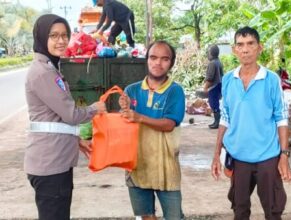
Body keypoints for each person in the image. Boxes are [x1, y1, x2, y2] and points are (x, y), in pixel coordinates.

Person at [25, 14, 106, 220]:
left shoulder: (50, 68)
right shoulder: (43, 72)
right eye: (53, 36)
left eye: (64, 35)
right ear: (42, 38)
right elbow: (70, 114)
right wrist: (95, 108)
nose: (61, 41)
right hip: (50, 165)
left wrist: (76, 141)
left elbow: (52, 119)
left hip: (54, 161)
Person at [211, 26, 291, 220]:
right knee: (239, 209)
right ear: (234, 49)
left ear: (259, 48)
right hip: (239, 156)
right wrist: (216, 154)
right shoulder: (229, 79)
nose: (245, 49)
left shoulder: (271, 80)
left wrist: (284, 155)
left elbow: (281, 118)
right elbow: (225, 118)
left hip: (267, 156)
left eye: (250, 44)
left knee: (273, 210)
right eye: (240, 45)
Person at [119, 40, 185, 219]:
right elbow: (125, 124)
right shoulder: (131, 90)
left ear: (171, 63)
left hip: (166, 166)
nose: (158, 63)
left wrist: (138, 117)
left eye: (165, 59)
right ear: (146, 59)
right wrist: (123, 112)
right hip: (137, 165)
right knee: (144, 216)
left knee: (174, 217)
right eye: (153, 57)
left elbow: (169, 124)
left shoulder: (175, 91)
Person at [204, 44, 223, 129]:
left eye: (208, 52)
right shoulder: (219, 62)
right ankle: (216, 121)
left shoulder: (212, 63)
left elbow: (210, 78)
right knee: (216, 104)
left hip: (214, 86)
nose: (208, 54)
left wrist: (205, 87)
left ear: (211, 53)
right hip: (219, 85)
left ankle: (217, 122)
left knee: (213, 104)